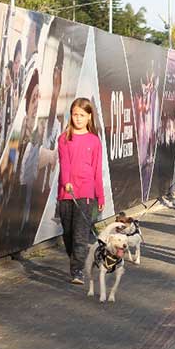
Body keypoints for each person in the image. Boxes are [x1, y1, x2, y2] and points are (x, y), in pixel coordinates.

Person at [57, 97, 105, 285]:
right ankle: (75, 259)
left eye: (82, 115)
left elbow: (96, 170)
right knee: (68, 233)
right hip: (66, 193)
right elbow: (65, 163)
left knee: (80, 233)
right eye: (75, 114)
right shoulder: (64, 138)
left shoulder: (94, 141)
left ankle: (77, 271)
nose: (78, 118)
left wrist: (100, 195)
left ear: (89, 117)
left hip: (86, 193)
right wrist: (67, 182)